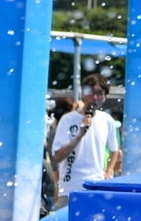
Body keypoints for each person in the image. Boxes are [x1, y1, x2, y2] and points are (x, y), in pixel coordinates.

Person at [50, 73, 121, 207]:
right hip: (70, 188)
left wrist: (109, 171)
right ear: (83, 93)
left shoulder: (107, 120)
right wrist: (79, 135)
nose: (95, 98)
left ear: (105, 97)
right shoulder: (68, 119)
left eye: (100, 93)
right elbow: (58, 157)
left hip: (96, 187)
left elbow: (114, 150)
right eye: (91, 93)